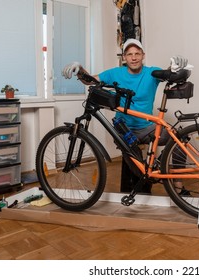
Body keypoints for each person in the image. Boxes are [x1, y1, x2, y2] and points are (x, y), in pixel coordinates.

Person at [62, 38, 189, 194]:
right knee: (139, 168)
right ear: (124, 57)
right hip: (124, 129)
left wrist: (176, 65)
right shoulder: (115, 73)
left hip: (148, 127)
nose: (134, 57)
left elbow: (168, 73)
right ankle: (145, 181)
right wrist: (79, 69)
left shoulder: (151, 72)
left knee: (181, 141)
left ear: (143, 55)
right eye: (129, 54)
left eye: (137, 54)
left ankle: (178, 187)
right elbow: (90, 81)